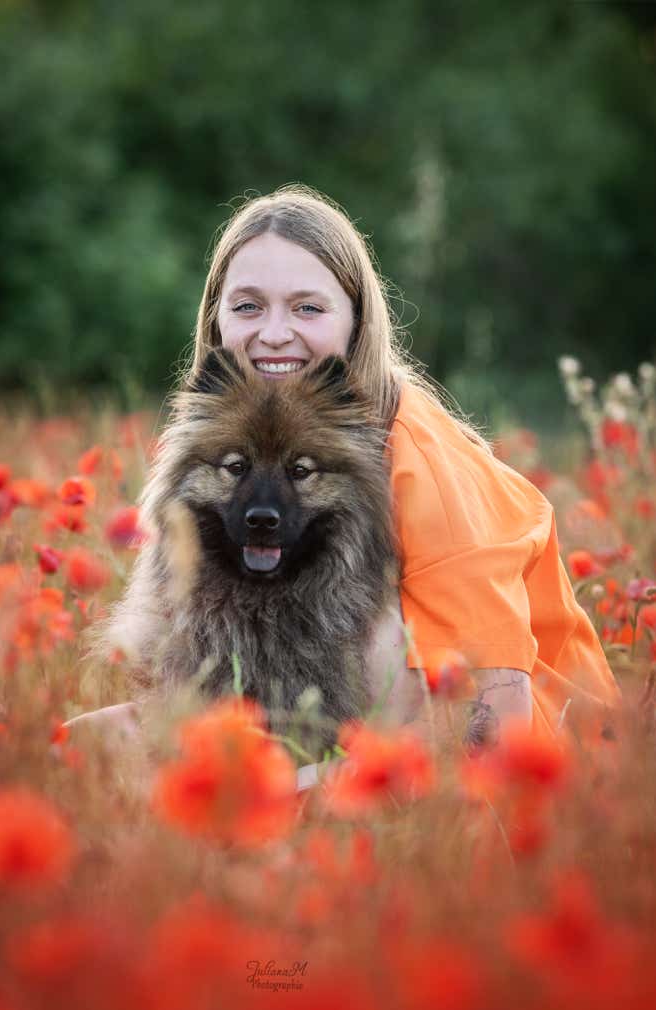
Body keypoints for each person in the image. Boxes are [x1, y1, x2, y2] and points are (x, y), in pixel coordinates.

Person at [68, 183, 622, 766]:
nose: (274, 333)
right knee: (83, 748)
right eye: (248, 305)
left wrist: (302, 792)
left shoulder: (427, 463)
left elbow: (494, 715)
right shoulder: (225, 420)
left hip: (546, 757)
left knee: (378, 627)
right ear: (216, 318)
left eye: (307, 307)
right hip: (340, 743)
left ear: (357, 321)